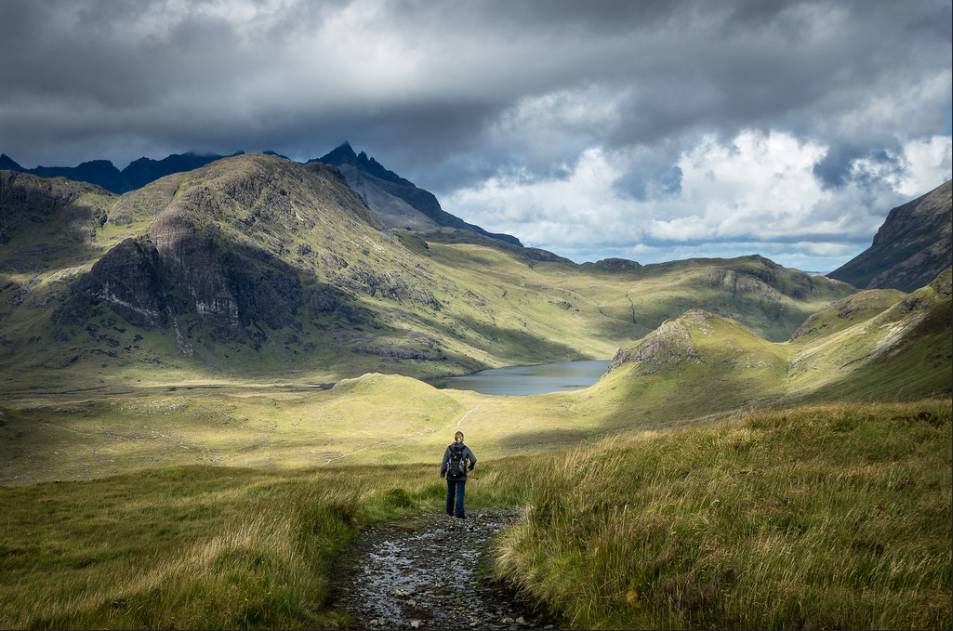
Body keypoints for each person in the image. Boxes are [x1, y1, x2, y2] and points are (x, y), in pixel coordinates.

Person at [440, 431, 477, 519]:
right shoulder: (465, 449)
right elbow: (474, 459)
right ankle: (459, 514)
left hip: (450, 475)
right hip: (462, 475)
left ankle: (449, 512)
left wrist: (442, 472)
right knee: (460, 494)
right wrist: (470, 467)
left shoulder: (449, 448)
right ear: (462, 438)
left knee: (450, 493)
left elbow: (444, 461)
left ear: (455, 438)